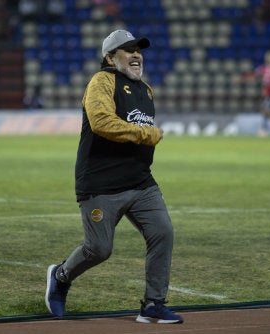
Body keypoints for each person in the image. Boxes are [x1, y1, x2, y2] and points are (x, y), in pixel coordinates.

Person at [45, 30, 183, 324]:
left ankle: (153, 304)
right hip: (101, 184)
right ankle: (60, 276)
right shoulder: (101, 82)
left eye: (138, 50)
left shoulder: (145, 90)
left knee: (163, 233)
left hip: (141, 182)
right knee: (99, 250)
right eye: (128, 50)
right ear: (110, 57)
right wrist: (145, 134)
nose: (136, 55)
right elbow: (102, 122)